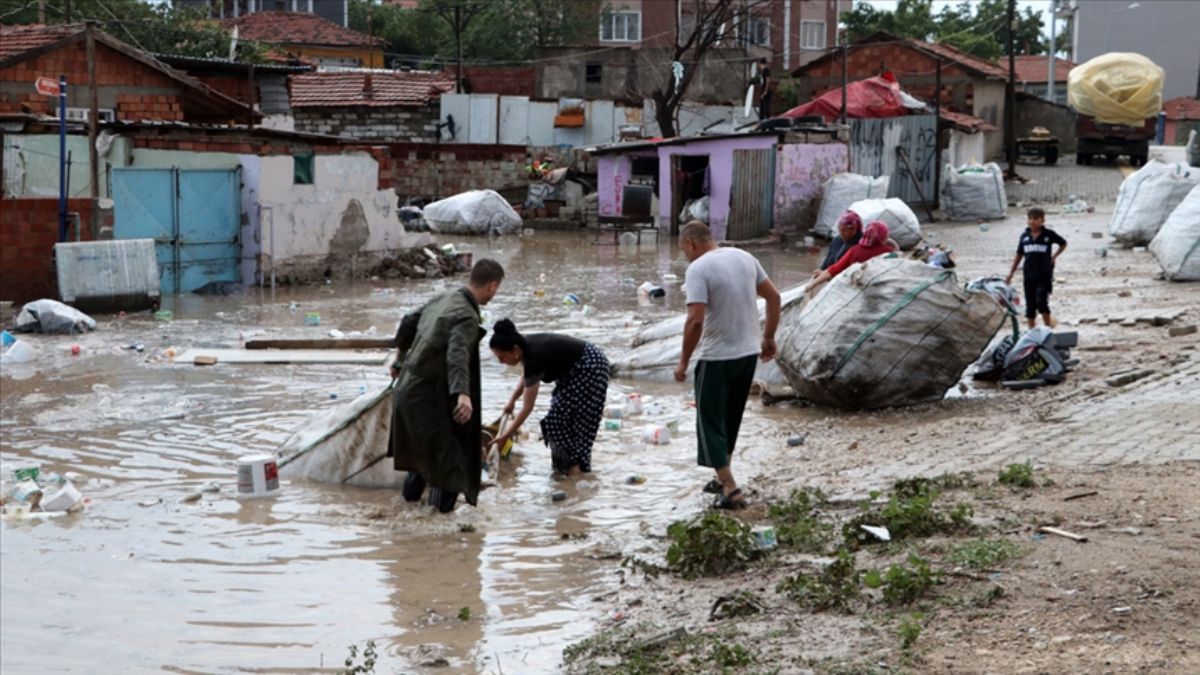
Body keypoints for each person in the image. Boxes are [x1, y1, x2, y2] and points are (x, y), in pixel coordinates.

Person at [673, 221, 781, 510]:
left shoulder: (698, 268)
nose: (686, 255)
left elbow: (695, 320)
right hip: (747, 354)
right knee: (730, 418)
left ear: (691, 244)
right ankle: (722, 475)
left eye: (684, 249)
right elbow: (774, 297)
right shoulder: (744, 257)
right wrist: (768, 337)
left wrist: (683, 360)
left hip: (716, 356)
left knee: (709, 421)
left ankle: (731, 488)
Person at [387, 259, 505, 513]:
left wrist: (399, 359)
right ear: (492, 286)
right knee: (449, 466)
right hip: (425, 397)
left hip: (406, 389)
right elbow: (457, 354)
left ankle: (408, 519)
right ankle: (440, 531)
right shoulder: (467, 315)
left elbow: (408, 321)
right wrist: (463, 393)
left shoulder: (444, 297)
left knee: (420, 463)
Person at [489, 320, 610, 477]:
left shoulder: (532, 356)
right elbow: (526, 377)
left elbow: (527, 408)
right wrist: (512, 401)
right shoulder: (525, 347)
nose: (501, 362)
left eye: (502, 357)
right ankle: (569, 473)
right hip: (576, 370)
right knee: (561, 423)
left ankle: (574, 473)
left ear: (515, 350)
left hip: (589, 367)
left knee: (562, 424)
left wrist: (506, 435)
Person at [1005, 207, 1067, 329]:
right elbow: (1019, 255)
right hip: (1028, 275)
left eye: (1035, 219)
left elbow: (1063, 243)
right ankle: (1032, 332)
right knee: (1030, 305)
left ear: (1042, 220)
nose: (1032, 221)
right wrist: (1011, 273)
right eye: (1030, 219)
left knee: (1042, 302)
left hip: (1044, 275)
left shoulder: (1049, 235)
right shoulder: (1024, 236)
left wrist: (1054, 257)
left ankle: (1047, 328)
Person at [807, 220, 898, 296]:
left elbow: (834, 269)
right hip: (879, 290)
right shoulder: (889, 251)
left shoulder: (854, 250)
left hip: (854, 291)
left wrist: (811, 285)